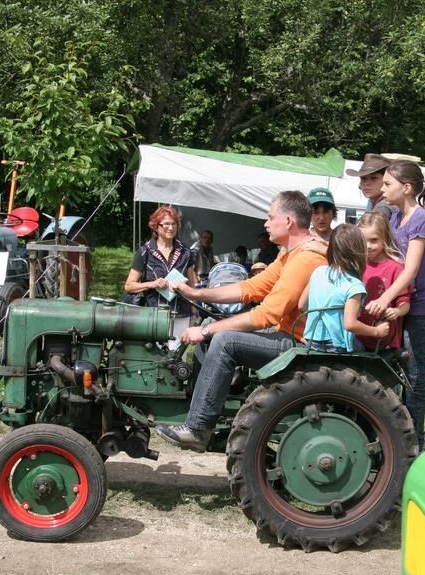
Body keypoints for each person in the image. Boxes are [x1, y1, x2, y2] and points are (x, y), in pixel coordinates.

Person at [157, 191, 326, 451]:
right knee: (212, 334)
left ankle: (199, 428)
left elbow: (266, 315)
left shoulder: (306, 258)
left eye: (270, 218)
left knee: (223, 340)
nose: (266, 224)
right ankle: (206, 413)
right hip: (285, 335)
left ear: (288, 221)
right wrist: (197, 293)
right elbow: (251, 288)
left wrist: (207, 330)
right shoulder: (289, 254)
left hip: (299, 344)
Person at [364, 160, 425, 451]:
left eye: (387, 184)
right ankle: (395, 433)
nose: (382, 189)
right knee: (395, 363)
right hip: (401, 300)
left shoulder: (420, 219)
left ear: (406, 188)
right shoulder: (396, 216)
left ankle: (415, 443)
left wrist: (385, 298)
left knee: (413, 371)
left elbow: (410, 269)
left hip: (420, 306)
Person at [298, 224, 389, 353]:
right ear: (359, 252)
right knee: (366, 350)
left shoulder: (318, 272)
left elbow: (302, 305)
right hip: (337, 345)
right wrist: (377, 331)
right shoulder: (354, 286)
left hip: (312, 341)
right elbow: (350, 324)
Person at [122, 205, 198, 347]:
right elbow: (129, 286)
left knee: (176, 357)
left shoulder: (186, 252)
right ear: (156, 226)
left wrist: (194, 313)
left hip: (181, 315)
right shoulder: (144, 252)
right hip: (153, 316)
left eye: (174, 224)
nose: (171, 228)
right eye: (166, 224)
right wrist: (152, 284)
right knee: (154, 358)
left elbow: (191, 285)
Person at [356, 211, 411, 351]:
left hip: (385, 342)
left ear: (384, 239)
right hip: (357, 338)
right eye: (363, 240)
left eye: (374, 240)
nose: (368, 245)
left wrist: (397, 311)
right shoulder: (356, 264)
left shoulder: (396, 268)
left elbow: (405, 303)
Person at [346, 153, 393, 219]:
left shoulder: (382, 208)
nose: (366, 183)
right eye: (363, 178)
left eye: (374, 178)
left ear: (386, 181)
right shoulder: (376, 204)